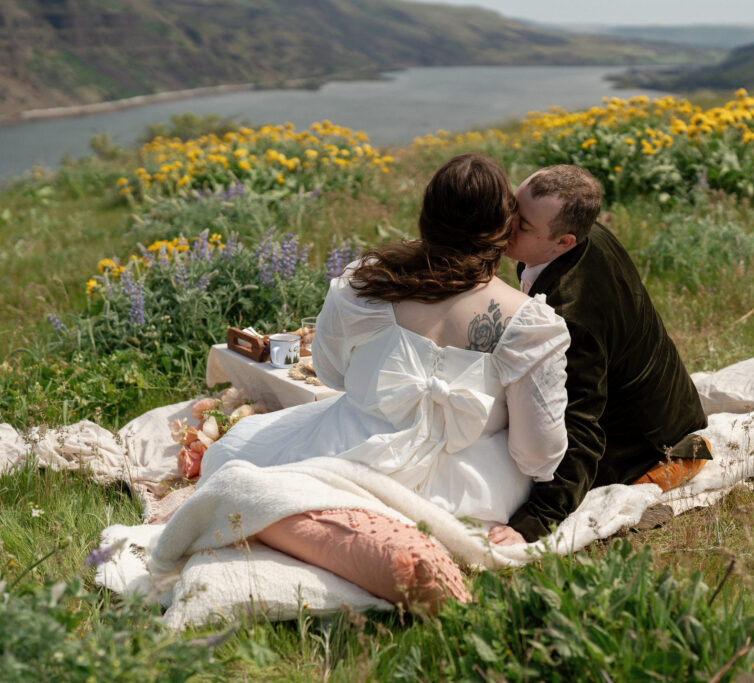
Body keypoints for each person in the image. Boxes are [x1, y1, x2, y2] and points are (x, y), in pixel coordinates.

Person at [193, 154, 572, 602]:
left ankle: (335, 525)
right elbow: (537, 454)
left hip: (351, 449)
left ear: (426, 217)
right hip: (471, 490)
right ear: (505, 229)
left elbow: (332, 374)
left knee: (232, 458)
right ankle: (404, 541)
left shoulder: (363, 284)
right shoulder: (531, 323)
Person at [489, 165, 709, 546]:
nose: (506, 226)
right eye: (512, 209)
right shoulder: (586, 235)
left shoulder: (569, 316)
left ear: (564, 242)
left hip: (645, 444)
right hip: (666, 403)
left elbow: (579, 423)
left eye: (523, 226)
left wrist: (537, 520)